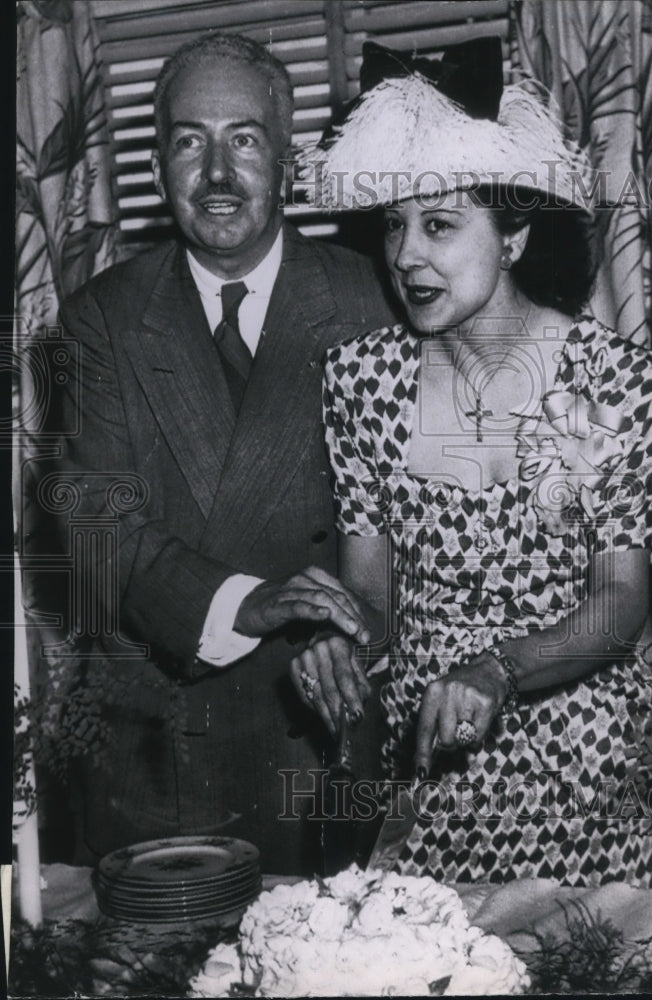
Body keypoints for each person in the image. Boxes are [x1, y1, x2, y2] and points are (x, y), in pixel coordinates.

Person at [290, 40, 652, 886]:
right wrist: (339, 639)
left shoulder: (618, 382)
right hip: (430, 767)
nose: (405, 257)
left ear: (512, 235)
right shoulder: (359, 380)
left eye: (439, 225)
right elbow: (372, 594)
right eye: (392, 224)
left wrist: (496, 668)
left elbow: (616, 605)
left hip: (586, 775)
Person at [54, 31, 394, 873]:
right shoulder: (95, 320)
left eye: (243, 139)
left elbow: (425, 522)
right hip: (160, 764)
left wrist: (362, 626)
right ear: (157, 165)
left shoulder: (376, 295)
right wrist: (254, 601)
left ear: (286, 160)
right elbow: (94, 539)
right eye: (187, 141)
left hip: (324, 744)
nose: (215, 174)